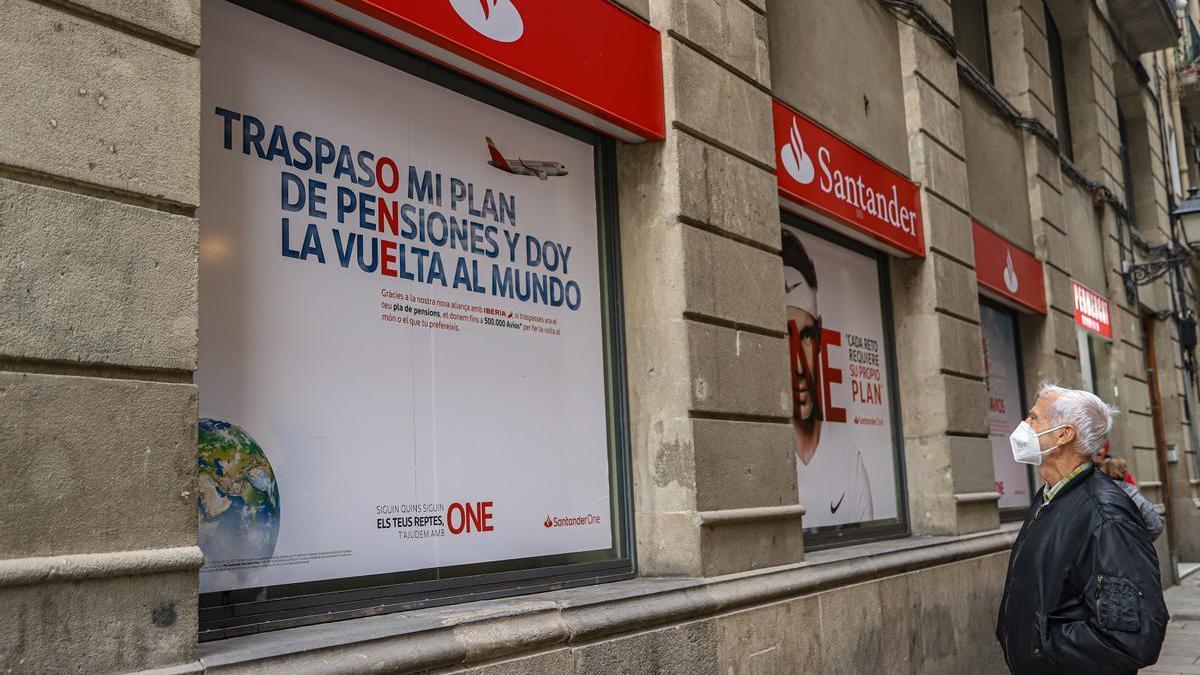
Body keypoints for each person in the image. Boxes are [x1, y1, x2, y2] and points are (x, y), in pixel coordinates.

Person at [996, 384, 1168, 675]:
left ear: (1064, 434)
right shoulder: (1051, 496)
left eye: (1034, 418)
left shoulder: (1106, 514)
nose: (1024, 426)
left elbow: (1131, 638)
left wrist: (1041, 644)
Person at [782, 228, 873, 523]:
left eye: (805, 336)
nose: (798, 365)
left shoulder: (848, 457)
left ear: (820, 339)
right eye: (785, 338)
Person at [1101, 457, 1163, 541]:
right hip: (1131, 548)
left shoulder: (1095, 495)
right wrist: (1141, 542)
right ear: (1124, 472)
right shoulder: (1133, 496)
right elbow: (1156, 526)